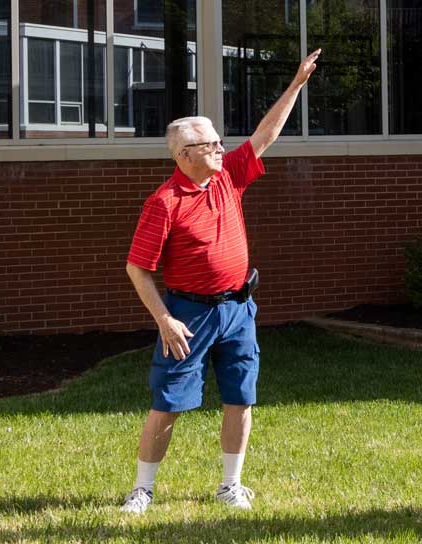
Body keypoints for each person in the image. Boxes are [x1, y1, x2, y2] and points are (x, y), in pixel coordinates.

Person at [118, 49, 322, 514]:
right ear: (185, 154)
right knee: (168, 401)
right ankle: (143, 489)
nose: (220, 149)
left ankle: (231, 484)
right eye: (210, 145)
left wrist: (296, 85)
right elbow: (137, 267)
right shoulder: (164, 202)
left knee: (240, 396)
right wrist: (165, 319)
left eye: (218, 143)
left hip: (237, 309)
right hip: (187, 314)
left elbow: (265, 136)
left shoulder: (228, 177)